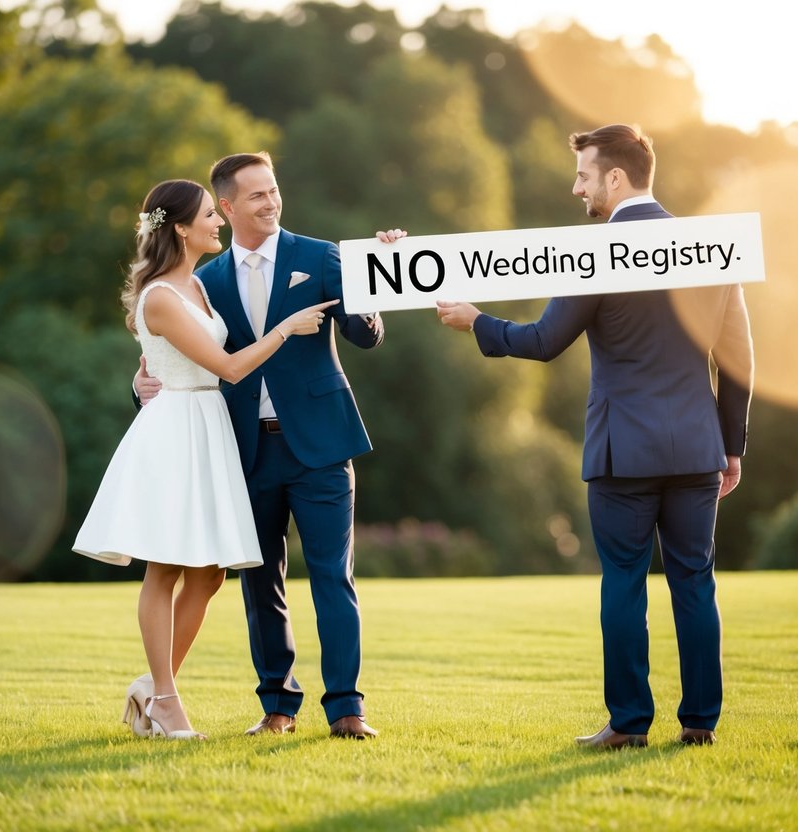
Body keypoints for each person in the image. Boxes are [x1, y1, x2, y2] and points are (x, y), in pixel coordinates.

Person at [437, 124, 754, 748]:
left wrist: (476, 320)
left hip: (621, 453)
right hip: (695, 447)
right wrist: (733, 443)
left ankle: (629, 725)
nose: (575, 186)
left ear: (616, 177)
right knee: (695, 583)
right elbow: (740, 356)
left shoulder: (594, 256)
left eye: (584, 174)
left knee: (624, 585)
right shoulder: (713, 248)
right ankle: (700, 725)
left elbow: (542, 342)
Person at [135, 154, 398, 739]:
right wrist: (141, 381)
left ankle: (346, 709)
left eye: (274, 190)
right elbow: (170, 353)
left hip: (323, 445)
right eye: (256, 196)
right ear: (226, 208)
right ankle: (278, 706)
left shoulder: (322, 255)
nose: (271, 202)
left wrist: (372, 276)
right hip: (244, 450)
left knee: (334, 577)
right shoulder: (205, 281)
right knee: (260, 586)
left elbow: (365, 335)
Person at [74, 178, 337, 740]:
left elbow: (171, 360)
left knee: (210, 574)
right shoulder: (163, 297)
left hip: (207, 428)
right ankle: (166, 700)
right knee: (165, 567)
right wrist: (286, 328)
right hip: (177, 432)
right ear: (180, 228)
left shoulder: (195, 284)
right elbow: (230, 368)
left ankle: (151, 684)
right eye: (207, 217)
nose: (218, 222)